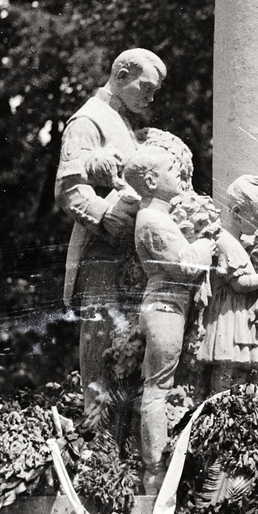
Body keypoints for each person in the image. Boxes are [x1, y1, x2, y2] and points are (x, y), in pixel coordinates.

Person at [55, 48, 176, 417]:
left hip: (129, 255)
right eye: (146, 86)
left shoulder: (120, 120)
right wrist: (106, 215)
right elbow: (69, 187)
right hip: (100, 254)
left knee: (127, 350)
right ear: (122, 74)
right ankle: (96, 446)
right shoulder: (88, 120)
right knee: (101, 344)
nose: (151, 97)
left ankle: (118, 443)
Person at [122, 143, 216, 494]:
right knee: (157, 389)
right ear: (150, 180)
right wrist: (210, 240)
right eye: (171, 171)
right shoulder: (153, 221)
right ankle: (155, 475)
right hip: (165, 308)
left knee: (160, 386)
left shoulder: (160, 216)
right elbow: (188, 264)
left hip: (173, 306)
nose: (180, 176)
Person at [199, 175, 258, 394]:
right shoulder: (225, 241)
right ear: (237, 212)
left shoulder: (235, 241)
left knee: (237, 365)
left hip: (239, 313)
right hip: (228, 314)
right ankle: (219, 405)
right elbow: (240, 283)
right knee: (227, 362)